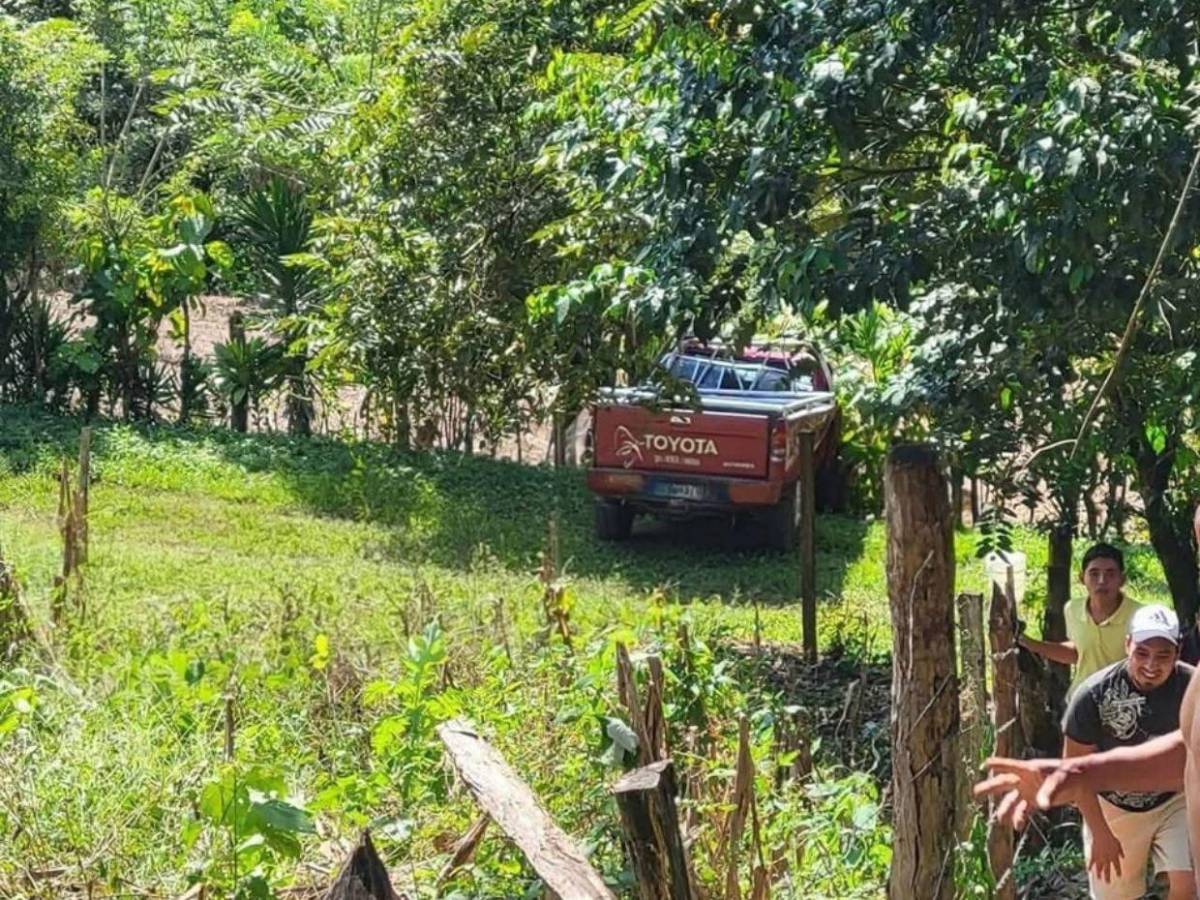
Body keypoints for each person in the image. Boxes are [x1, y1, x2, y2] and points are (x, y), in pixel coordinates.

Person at [1059, 605, 1194, 899]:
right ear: (1127, 644)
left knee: (1188, 885)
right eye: (1142, 653)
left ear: (1178, 651)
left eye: (1163, 655)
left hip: (1176, 800)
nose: (1151, 665)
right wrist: (1100, 833)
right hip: (1113, 807)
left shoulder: (1193, 688)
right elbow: (1075, 772)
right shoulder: (1093, 696)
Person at [1019, 543, 1143, 696]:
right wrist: (1033, 644)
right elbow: (1078, 654)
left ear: (1122, 579)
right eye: (1094, 574)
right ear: (1081, 578)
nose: (1102, 580)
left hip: (1124, 701)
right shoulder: (1072, 609)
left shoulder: (1140, 615)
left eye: (1110, 574)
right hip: (1082, 698)